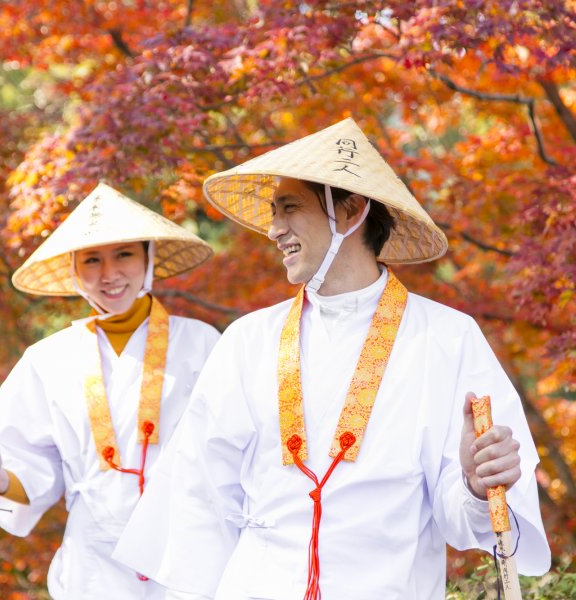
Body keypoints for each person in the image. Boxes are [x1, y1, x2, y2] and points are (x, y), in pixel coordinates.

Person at [114, 118, 550, 598]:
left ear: (350, 211)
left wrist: (473, 481)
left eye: (289, 207)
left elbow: (469, 526)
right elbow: (198, 497)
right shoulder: (248, 340)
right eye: (272, 211)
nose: (273, 229)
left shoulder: (447, 338)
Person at [0, 183, 219, 599]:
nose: (109, 274)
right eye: (92, 260)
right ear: (75, 271)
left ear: (149, 258)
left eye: (124, 255)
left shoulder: (202, 344)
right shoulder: (47, 360)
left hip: (185, 545)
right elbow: (30, 467)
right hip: (94, 558)